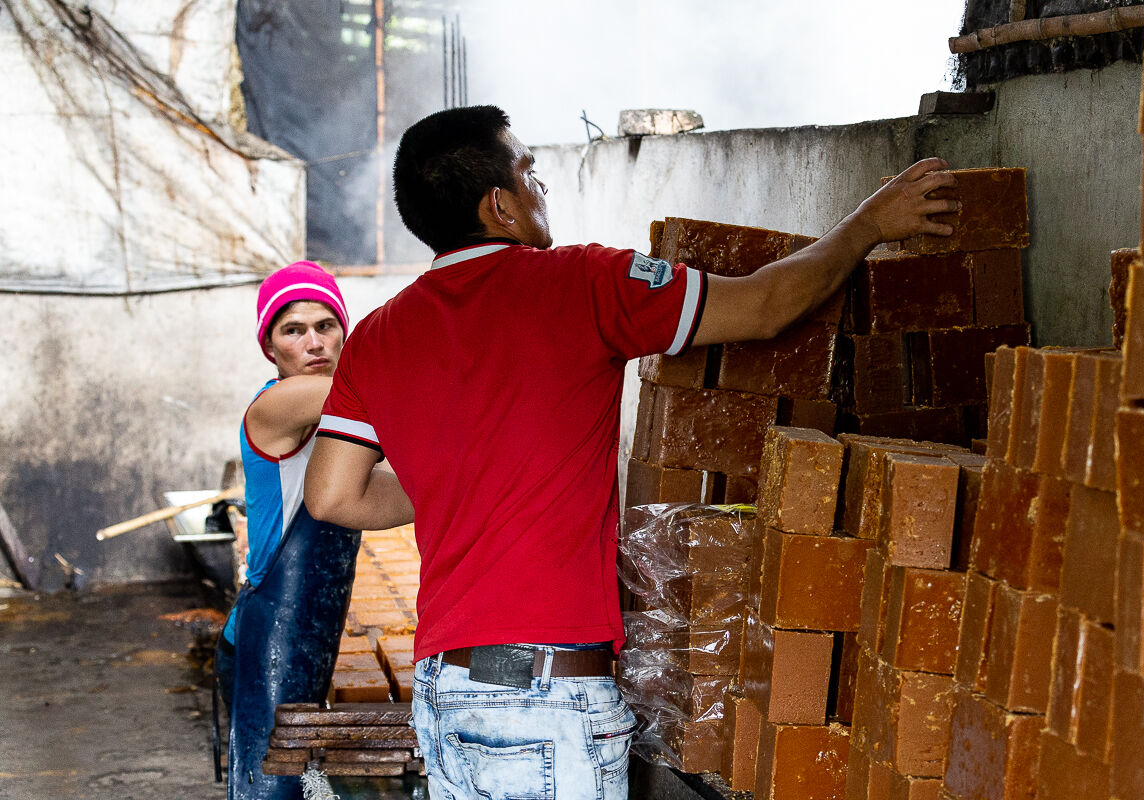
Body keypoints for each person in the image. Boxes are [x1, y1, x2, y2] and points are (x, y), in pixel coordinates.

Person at [303, 105, 957, 800]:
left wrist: (453, 479)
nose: (539, 193)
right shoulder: (582, 283)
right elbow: (764, 306)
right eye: (530, 176)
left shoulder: (376, 337)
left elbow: (332, 495)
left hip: (447, 691)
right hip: (546, 700)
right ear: (499, 205)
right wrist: (870, 223)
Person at [215, 261, 364, 800]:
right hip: (266, 638)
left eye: (327, 326)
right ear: (271, 350)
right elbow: (386, 394)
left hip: (302, 640)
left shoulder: (343, 422)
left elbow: (395, 493)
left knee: (297, 786)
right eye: (294, 331)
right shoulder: (279, 404)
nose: (315, 343)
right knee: (270, 791)